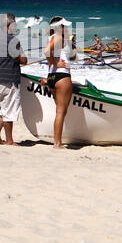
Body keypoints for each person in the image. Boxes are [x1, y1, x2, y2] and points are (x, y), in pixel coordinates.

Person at [0, 13, 28, 144]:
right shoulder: (13, 40)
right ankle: (9, 140)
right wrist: (22, 56)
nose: (16, 26)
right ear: (9, 24)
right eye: (14, 23)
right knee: (9, 111)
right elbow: (23, 60)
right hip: (9, 79)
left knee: (3, 109)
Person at [45, 16, 75, 149]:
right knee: (61, 112)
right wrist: (56, 63)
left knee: (59, 111)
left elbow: (70, 57)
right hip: (62, 76)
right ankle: (57, 143)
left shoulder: (52, 38)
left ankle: (58, 141)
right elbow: (46, 52)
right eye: (64, 26)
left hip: (52, 76)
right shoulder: (59, 37)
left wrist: (53, 64)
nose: (67, 28)